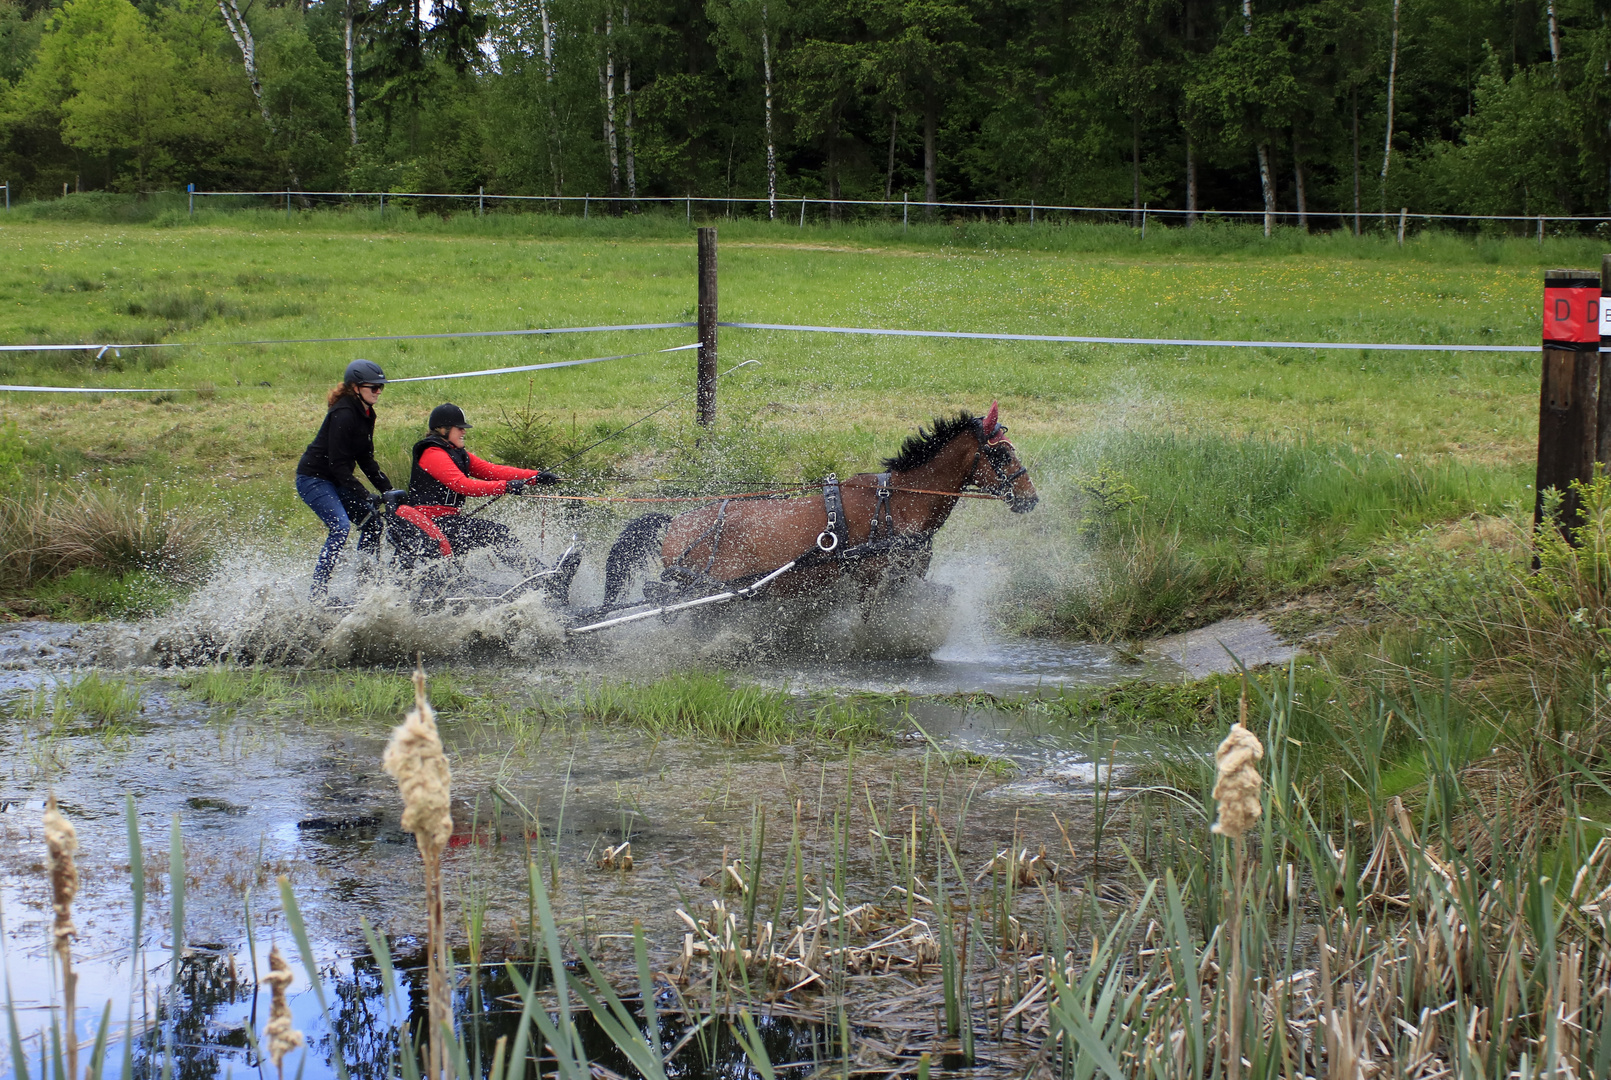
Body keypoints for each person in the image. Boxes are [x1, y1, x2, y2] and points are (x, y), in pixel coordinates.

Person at [396, 402, 562, 570]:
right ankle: (540, 576)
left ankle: (539, 575)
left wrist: (535, 476)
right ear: (442, 429)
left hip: (447, 523)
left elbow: (492, 471)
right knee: (497, 533)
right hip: (431, 525)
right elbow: (463, 486)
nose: (464, 431)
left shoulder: (456, 453)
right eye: (459, 428)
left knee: (497, 533)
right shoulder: (432, 453)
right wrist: (506, 487)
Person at [295, 359, 392, 600]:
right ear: (355, 387)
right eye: (374, 388)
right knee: (340, 527)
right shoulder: (344, 413)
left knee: (373, 522)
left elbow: (365, 459)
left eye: (381, 388)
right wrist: (363, 493)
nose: (379, 392)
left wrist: (389, 491)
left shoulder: (367, 414)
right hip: (314, 478)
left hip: (337, 480)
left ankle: (364, 587)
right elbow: (336, 464)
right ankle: (317, 594)